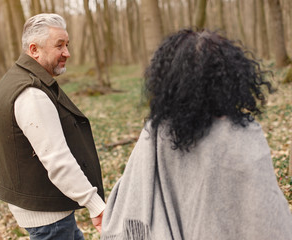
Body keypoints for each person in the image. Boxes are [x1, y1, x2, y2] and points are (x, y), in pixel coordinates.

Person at [101, 29, 292, 240]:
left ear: (169, 81)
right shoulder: (244, 135)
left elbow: (129, 198)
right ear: (231, 77)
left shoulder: (156, 133)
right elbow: (271, 220)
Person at [0, 13, 105, 240]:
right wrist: (96, 205)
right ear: (34, 50)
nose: (67, 53)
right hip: (48, 217)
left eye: (67, 44)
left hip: (49, 210)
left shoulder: (17, 77)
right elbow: (57, 159)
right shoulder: (31, 94)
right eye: (59, 46)